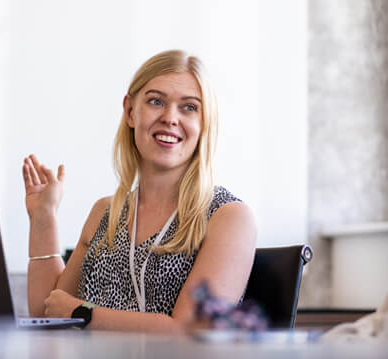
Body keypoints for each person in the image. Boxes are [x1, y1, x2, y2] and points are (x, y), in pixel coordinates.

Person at [22, 50, 256, 333]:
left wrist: (82, 313)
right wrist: (43, 218)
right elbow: (47, 315)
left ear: (204, 123)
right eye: (156, 102)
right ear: (131, 112)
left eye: (189, 107)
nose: (170, 117)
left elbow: (191, 332)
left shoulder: (228, 217)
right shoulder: (104, 213)